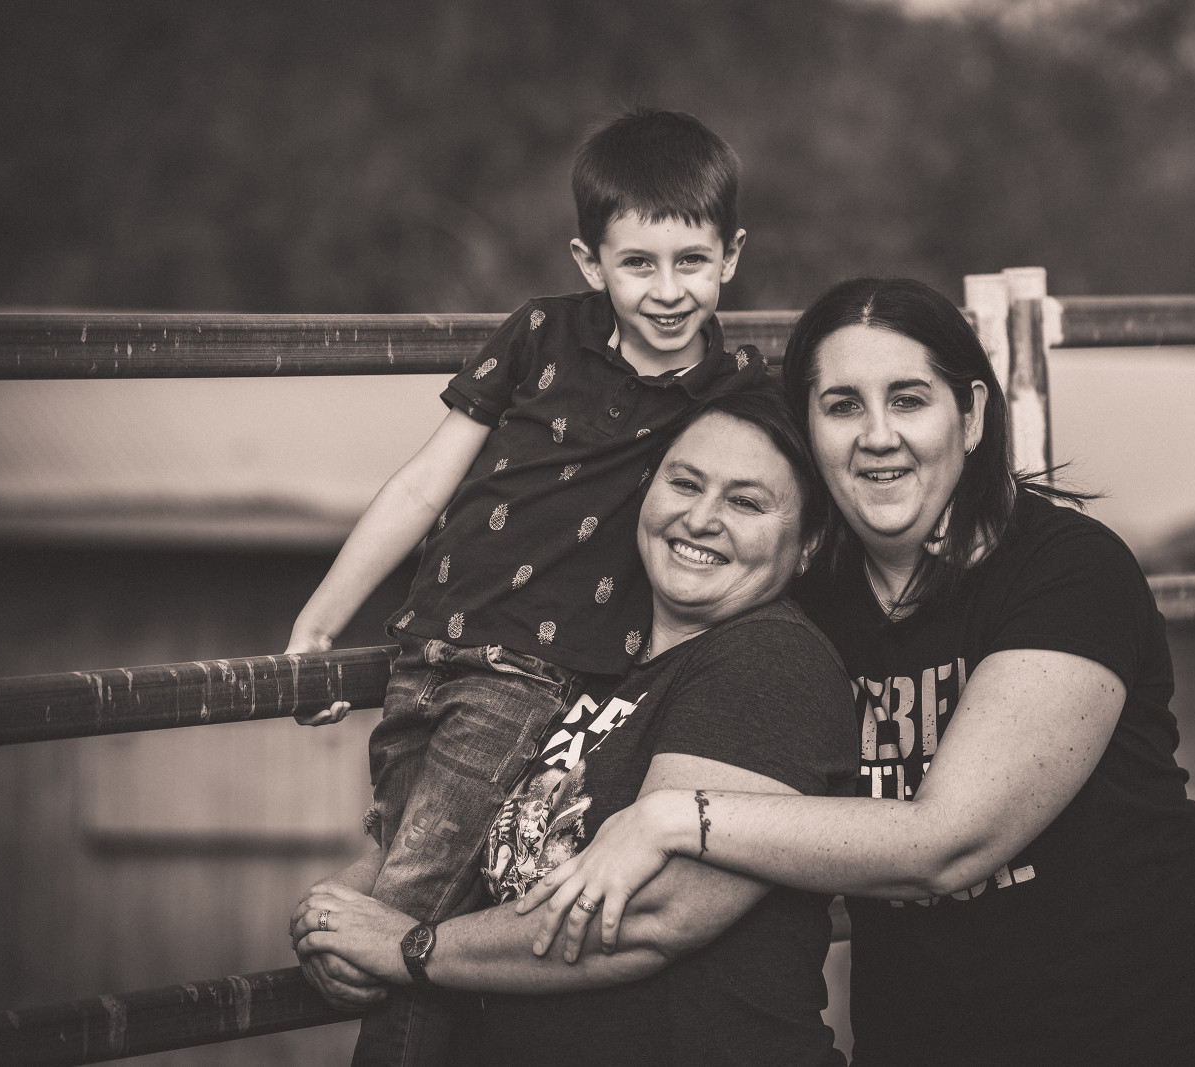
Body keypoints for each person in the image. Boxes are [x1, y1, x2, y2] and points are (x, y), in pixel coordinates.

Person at [518, 277, 1195, 1066]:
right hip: (933, 1035)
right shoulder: (804, 603)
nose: (877, 435)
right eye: (842, 406)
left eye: (908, 400)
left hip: (1158, 1021)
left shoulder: (1067, 570)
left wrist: (673, 816)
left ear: (971, 415)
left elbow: (949, 842)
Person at [283, 107, 765, 1066]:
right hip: (424, 653)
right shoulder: (540, 334)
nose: (669, 290)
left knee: (405, 914)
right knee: (414, 872)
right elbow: (424, 484)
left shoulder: (731, 393)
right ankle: (346, 936)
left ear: (732, 256)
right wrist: (318, 624)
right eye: (638, 264)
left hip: (533, 678)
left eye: (692, 261)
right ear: (590, 262)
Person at [291, 388, 856, 1067]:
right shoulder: (589, 660)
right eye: (685, 483)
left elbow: (651, 914)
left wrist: (408, 946)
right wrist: (343, 908)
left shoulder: (769, 660)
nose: (701, 518)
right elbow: (473, 825)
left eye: (746, 502)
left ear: (807, 545)